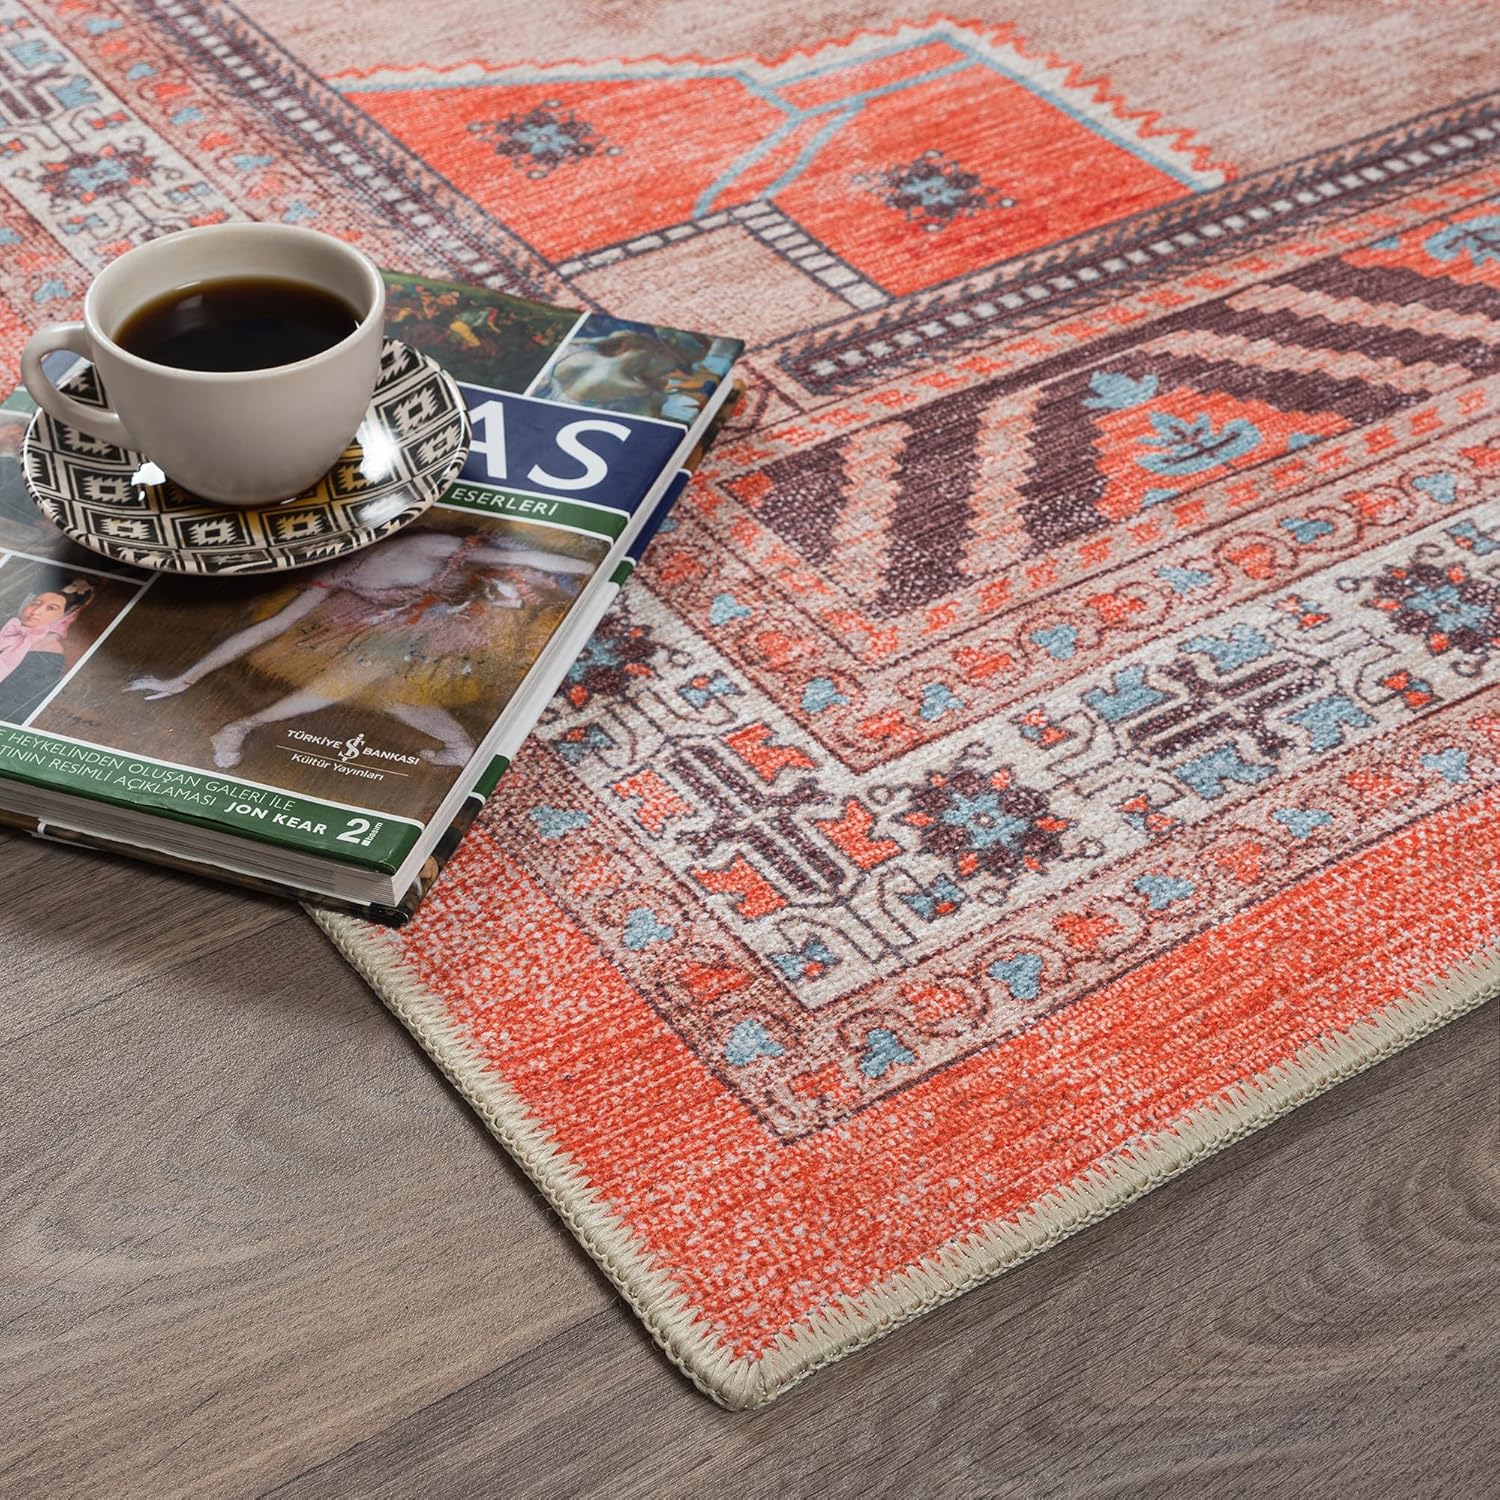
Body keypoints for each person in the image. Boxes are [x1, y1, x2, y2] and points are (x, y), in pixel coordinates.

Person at [124, 527, 596, 770]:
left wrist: (590, 568)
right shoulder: (335, 573)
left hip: (461, 614)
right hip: (402, 627)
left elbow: (518, 556)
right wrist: (184, 679)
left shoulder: (425, 545)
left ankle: (458, 746)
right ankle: (239, 726)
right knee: (370, 673)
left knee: (390, 686)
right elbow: (272, 627)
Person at [0, 578, 95, 724]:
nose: (36, 612)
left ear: (65, 615)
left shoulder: (49, 652)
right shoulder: (7, 628)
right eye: (35, 604)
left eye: (51, 608)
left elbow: (19, 707)